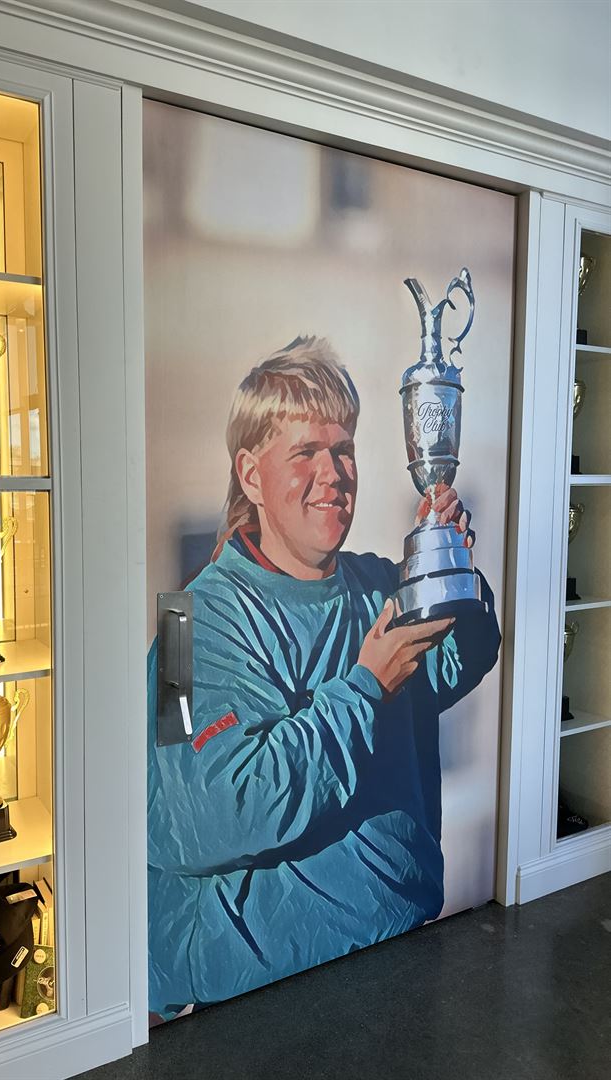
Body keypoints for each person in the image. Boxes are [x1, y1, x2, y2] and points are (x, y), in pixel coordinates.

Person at [147, 337, 501, 1020]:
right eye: (305, 452)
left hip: (401, 954)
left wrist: (449, 572)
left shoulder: (378, 583)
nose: (333, 473)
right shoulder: (182, 630)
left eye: (344, 450)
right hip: (267, 1001)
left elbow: (458, 663)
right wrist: (364, 690)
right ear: (251, 474)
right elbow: (207, 814)